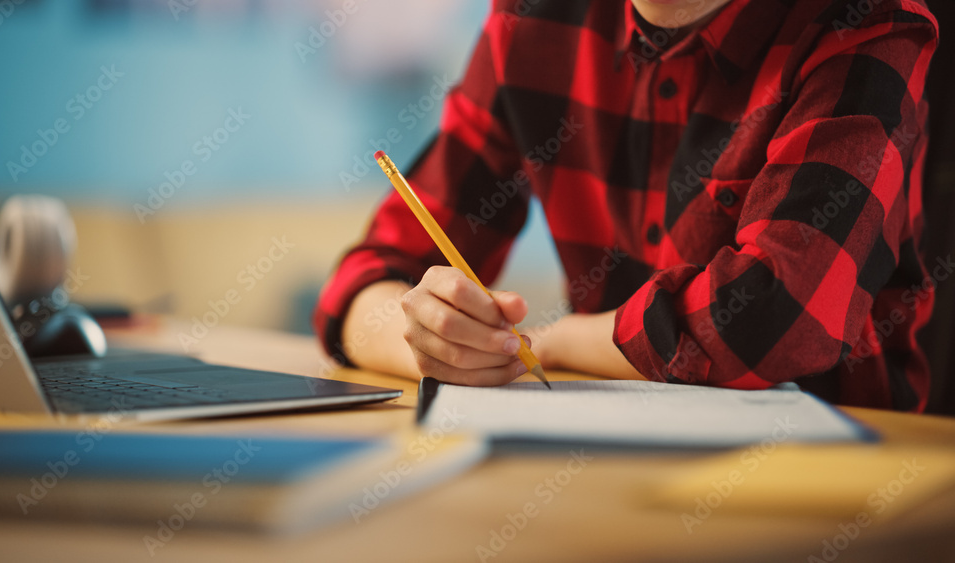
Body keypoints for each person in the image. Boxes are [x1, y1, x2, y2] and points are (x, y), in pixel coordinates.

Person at [314, 0, 939, 412]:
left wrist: (552, 342)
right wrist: (429, 339)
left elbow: (775, 321)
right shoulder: (532, 20)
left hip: (844, 478)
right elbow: (364, 281)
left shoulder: (868, 22)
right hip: (597, 457)